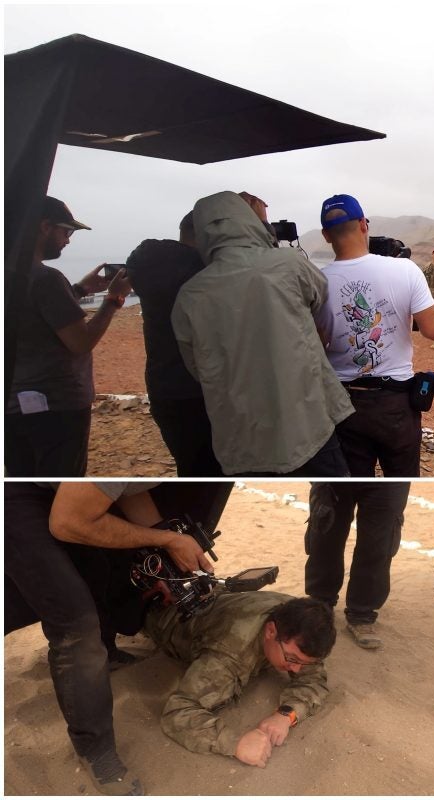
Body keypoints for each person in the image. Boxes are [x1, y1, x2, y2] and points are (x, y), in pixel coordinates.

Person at [4, 482, 214, 795]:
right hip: (17, 499)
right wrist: (169, 539)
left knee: (97, 573)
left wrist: (169, 567)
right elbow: (68, 522)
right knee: (76, 623)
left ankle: (106, 653)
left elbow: (132, 492)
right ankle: (96, 751)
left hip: (64, 498)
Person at [171, 191, 353, 476]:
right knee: (335, 496)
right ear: (249, 222)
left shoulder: (189, 295)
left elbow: (197, 367)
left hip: (242, 438)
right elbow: (320, 295)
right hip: (306, 425)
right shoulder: (289, 264)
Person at [316, 193, 434, 477]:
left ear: (325, 235)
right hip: (395, 404)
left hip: (342, 403)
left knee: (347, 489)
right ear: (363, 224)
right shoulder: (405, 269)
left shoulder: (318, 280)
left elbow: (316, 342)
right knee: (397, 487)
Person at [5, 196, 131, 476]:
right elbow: (80, 342)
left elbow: (29, 315)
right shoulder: (46, 278)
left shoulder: (12, 273)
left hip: (13, 404)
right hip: (57, 408)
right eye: (67, 231)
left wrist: (79, 290)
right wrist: (113, 300)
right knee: (60, 486)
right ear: (45, 227)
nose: (68, 241)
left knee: (23, 486)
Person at [143, 592, 333, 767]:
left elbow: (313, 680)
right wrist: (235, 743)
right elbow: (177, 712)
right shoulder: (230, 652)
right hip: (162, 615)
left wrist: (286, 715)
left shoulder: (298, 621)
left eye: (303, 663)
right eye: (292, 659)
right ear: (270, 632)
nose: (297, 669)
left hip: (209, 599)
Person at [125, 211, 222, 476]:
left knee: (190, 466)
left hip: (163, 387)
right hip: (204, 388)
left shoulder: (147, 262)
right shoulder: (207, 270)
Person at [304, 481, 410, 650]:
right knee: (325, 532)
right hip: (338, 468)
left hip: (387, 485)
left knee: (378, 543)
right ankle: (320, 604)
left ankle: (362, 614)